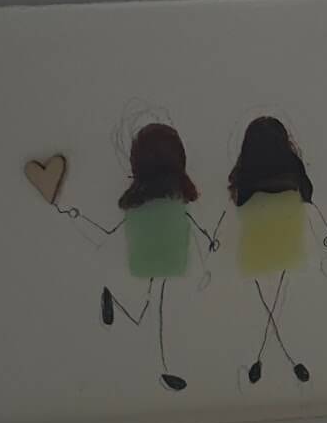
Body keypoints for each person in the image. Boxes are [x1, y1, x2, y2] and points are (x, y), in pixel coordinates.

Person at [47, 121, 209, 392]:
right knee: (157, 308)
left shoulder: (137, 206)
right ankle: (164, 366)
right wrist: (208, 243)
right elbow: (192, 227)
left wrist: (73, 213)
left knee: (151, 306)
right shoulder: (177, 201)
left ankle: (120, 304)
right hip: (173, 259)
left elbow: (111, 232)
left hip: (149, 259)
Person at [225, 115, 315, 385]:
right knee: (278, 303)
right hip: (291, 245)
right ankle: (287, 358)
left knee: (267, 304)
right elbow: (308, 197)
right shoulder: (294, 168)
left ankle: (264, 358)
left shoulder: (245, 173)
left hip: (254, 248)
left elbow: (238, 203)